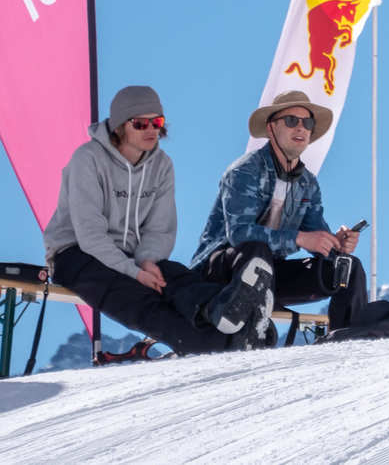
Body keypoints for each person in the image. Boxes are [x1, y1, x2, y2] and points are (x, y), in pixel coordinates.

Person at [44, 85, 276, 356]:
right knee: (141, 302)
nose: (151, 130)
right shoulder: (87, 160)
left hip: (131, 255)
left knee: (176, 277)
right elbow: (90, 235)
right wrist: (135, 273)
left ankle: (228, 311)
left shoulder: (162, 165)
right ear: (120, 125)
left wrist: (147, 261)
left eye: (157, 122)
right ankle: (217, 343)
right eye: (140, 123)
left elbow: (159, 229)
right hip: (76, 255)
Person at [192, 91, 369, 338]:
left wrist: (335, 244)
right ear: (271, 127)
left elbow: (315, 237)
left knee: (345, 266)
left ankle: (349, 340)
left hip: (270, 275)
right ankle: (240, 323)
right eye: (291, 120)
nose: (301, 128)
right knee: (256, 251)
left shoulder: (308, 184)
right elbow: (240, 234)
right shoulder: (244, 171)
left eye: (307, 123)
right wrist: (299, 239)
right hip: (222, 273)